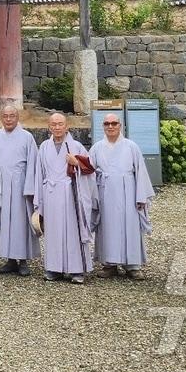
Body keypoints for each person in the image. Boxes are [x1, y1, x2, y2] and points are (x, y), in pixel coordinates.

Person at [25, 112, 97, 283]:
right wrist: (38, 200)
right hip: (50, 193)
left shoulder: (76, 146)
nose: (57, 127)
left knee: (73, 230)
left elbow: (90, 169)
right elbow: (39, 174)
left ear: (67, 126)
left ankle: (76, 270)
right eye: (53, 124)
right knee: (53, 232)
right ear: (49, 127)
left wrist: (77, 163)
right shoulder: (44, 147)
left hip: (70, 194)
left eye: (60, 124)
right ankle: (54, 268)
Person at [90, 113, 155, 280]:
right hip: (105, 192)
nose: (110, 127)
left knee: (130, 226)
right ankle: (109, 264)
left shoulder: (131, 146)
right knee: (107, 226)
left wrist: (141, 197)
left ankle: (132, 265)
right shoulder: (97, 147)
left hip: (128, 191)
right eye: (107, 124)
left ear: (120, 125)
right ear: (103, 126)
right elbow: (89, 171)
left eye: (114, 123)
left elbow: (140, 172)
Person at [0, 103, 39, 276]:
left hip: (20, 185)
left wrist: (30, 188)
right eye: (5, 116)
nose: (9, 119)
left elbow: (33, 163)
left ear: (17, 117)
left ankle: (23, 259)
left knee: (20, 223)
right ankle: (10, 259)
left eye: (12, 116)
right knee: (5, 222)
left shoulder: (27, 137)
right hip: (2, 184)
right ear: (1, 118)